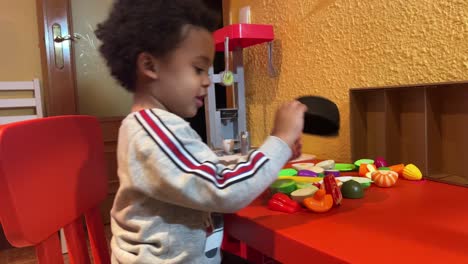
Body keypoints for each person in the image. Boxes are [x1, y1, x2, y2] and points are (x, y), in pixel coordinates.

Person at [95, 0, 306, 263]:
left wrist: (275, 155)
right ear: (150, 66)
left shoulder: (153, 126)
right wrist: (281, 140)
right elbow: (223, 187)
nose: (207, 80)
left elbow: (206, 171)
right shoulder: (154, 133)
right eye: (198, 69)